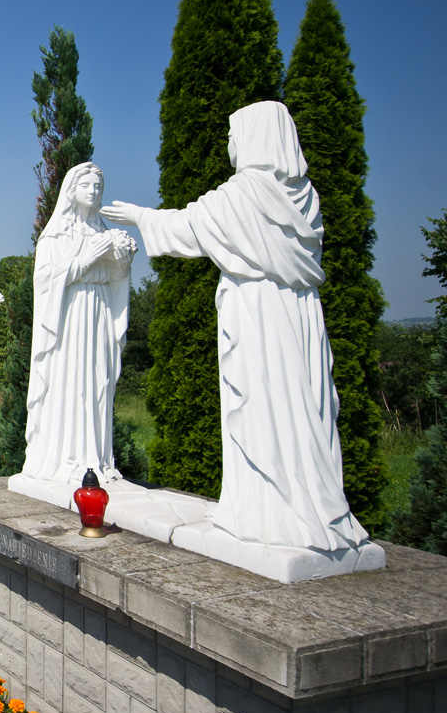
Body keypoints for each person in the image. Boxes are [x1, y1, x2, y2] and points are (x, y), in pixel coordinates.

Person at [101, 100, 370, 551]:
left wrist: (141, 217)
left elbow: (189, 226)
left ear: (254, 136)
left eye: (233, 134)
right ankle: (306, 505)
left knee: (266, 404)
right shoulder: (304, 195)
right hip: (300, 313)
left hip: (260, 314)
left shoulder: (247, 192)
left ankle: (269, 514)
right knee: (301, 407)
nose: (229, 143)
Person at [19, 161, 136, 485]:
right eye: (86, 185)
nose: (93, 191)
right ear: (72, 190)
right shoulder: (55, 236)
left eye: (98, 186)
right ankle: (68, 459)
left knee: (99, 381)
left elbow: (115, 279)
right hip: (70, 316)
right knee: (74, 381)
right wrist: (84, 260)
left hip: (100, 311)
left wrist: (122, 265)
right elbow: (45, 280)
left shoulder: (105, 233)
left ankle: (98, 461)